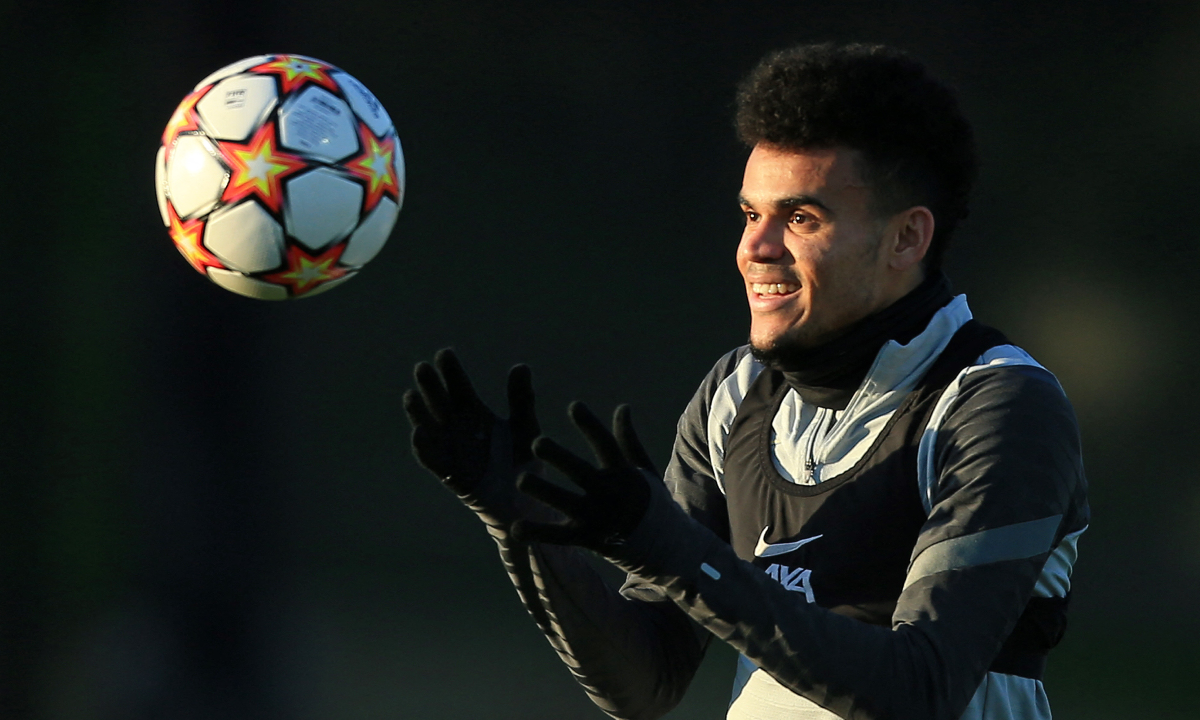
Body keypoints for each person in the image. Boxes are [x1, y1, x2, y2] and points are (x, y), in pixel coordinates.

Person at [403, 43, 1089, 720]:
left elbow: (919, 688)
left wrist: (675, 551)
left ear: (906, 239)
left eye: (801, 218)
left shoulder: (999, 407)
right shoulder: (736, 394)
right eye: (750, 214)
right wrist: (516, 516)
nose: (756, 248)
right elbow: (646, 682)